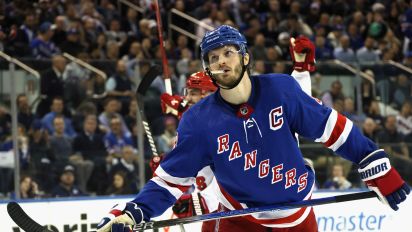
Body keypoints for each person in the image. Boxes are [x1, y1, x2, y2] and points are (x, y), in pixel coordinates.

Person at [97, 25, 410, 232]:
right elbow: (168, 183)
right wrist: (134, 211)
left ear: (245, 57)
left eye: (228, 53)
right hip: (237, 219)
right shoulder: (198, 121)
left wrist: (373, 162)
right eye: (214, 58)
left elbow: (335, 130)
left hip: (297, 217)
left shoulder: (281, 91)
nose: (221, 62)